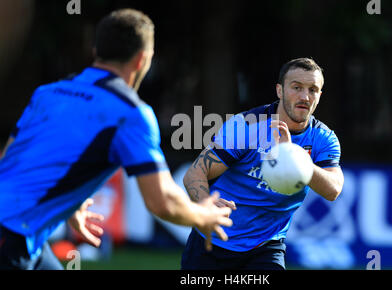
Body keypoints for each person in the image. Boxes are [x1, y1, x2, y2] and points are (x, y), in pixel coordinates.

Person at [0, 8, 232, 270]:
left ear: (96, 49)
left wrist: (67, 202)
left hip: (20, 232)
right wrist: (204, 215)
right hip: (11, 235)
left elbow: (9, 159)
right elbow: (162, 201)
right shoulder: (130, 113)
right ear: (142, 59)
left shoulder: (48, 93)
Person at [181, 58, 344, 270]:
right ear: (280, 91)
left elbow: (333, 190)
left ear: (319, 96)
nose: (305, 96)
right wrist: (206, 203)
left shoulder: (323, 139)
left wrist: (296, 159)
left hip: (266, 246)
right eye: (296, 87)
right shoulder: (247, 126)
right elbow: (194, 174)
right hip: (213, 241)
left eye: (313, 90)